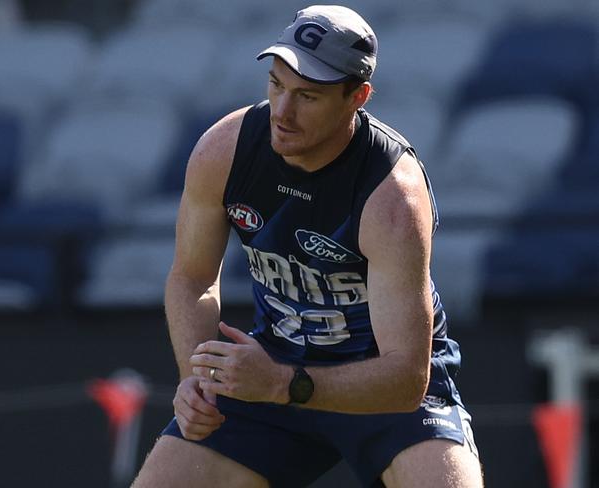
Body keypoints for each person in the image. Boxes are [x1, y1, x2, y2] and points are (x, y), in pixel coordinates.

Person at [132, 5, 483, 487]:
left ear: (357, 97)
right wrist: (196, 377)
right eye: (276, 85)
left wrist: (281, 384)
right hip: (274, 364)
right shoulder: (224, 150)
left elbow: (405, 378)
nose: (282, 111)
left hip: (381, 388)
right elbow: (191, 277)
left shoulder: (393, 198)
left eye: (308, 96)